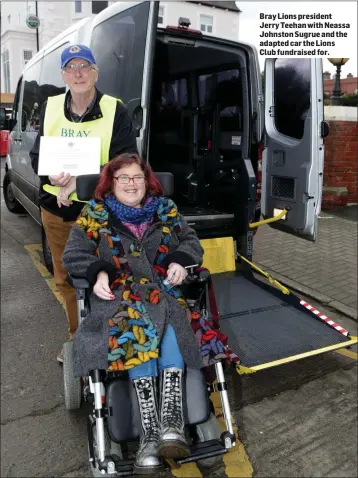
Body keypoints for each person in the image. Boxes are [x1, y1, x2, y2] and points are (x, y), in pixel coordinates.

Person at [62, 153, 228, 474]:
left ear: (147, 181)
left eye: (137, 177)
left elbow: (191, 241)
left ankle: (171, 427)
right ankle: (150, 436)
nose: (131, 184)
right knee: (138, 325)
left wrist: (179, 260)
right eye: (123, 178)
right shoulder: (94, 213)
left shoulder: (165, 210)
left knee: (169, 323)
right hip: (120, 295)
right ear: (111, 182)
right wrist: (98, 272)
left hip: (163, 290)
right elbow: (74, 253)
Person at [30, 45, 138, 362]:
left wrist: (80, 181)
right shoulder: (50, 107)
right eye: (71, 67)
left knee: (108, 275)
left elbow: (125, 164)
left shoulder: (114, 110)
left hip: (100, 214)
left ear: (95, 73)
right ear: (64, 75)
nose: (78, 73)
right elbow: (37, 155)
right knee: (65, 278)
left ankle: (111, 335)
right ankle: (78, 337)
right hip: (56, 211)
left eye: (85, 66)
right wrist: (49, 169)